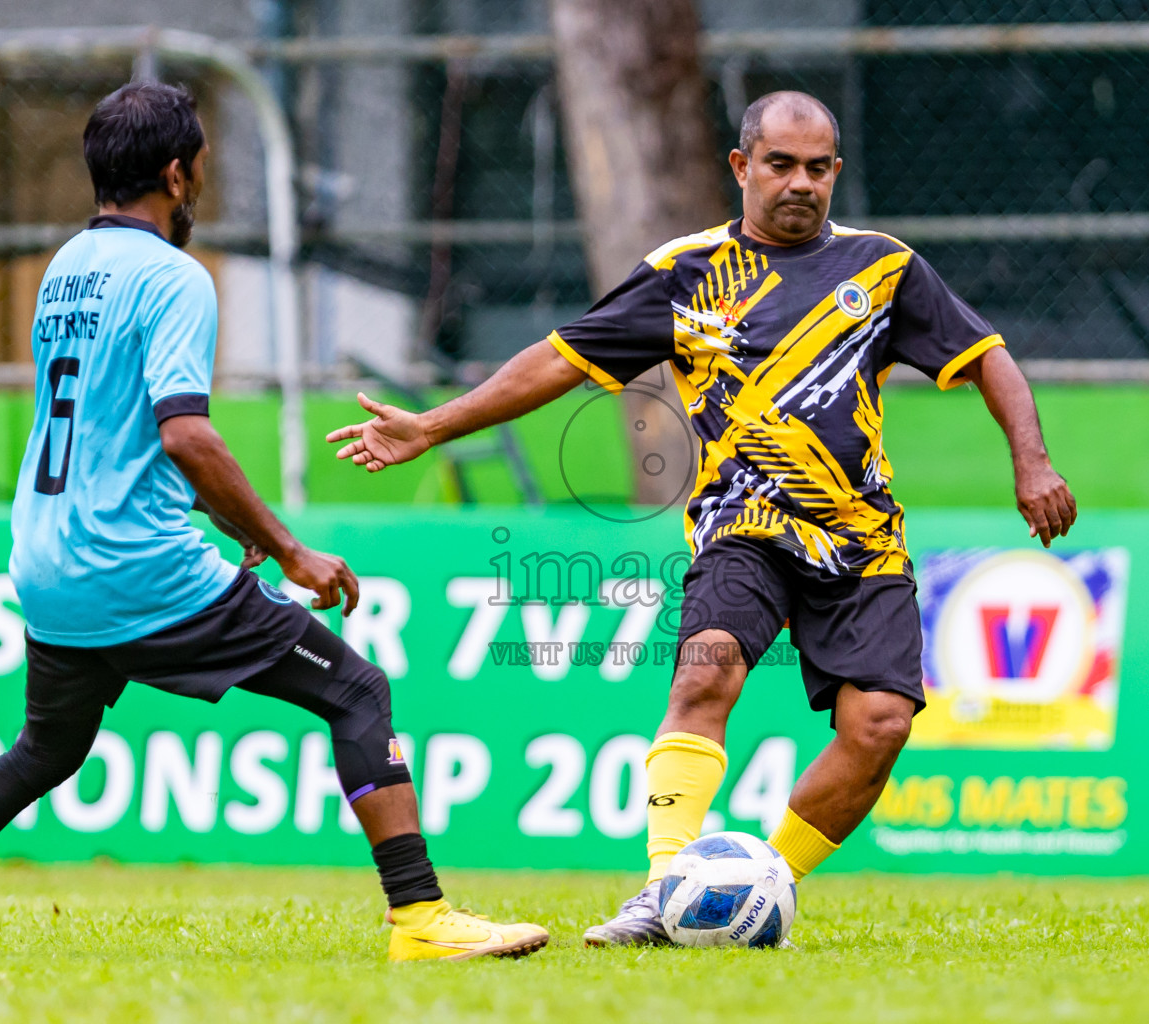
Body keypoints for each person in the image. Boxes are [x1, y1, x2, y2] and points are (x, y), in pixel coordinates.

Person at [325, 90, 1076, 946]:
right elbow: (557, 362)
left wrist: (1033, 460)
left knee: (881, 726)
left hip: (860, 543)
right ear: (741, 167)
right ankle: (662, 891)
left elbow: (990, 360)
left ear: (836, 172)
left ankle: (758, 890)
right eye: (782, 165)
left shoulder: (885, 268)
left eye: (818, 168)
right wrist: (431, 425)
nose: (801, 183)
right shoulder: (686, 272)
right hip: (740, 528)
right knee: (702, 677)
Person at [0, 82, 546, 963]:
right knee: (355, 690)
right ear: (177, 172)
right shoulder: (174, 276)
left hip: (47, 561)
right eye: (200, 170)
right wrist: (290, 549)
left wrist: (197, 507)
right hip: (134, 566)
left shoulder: (65, 269)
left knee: (46, 747)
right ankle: (420, 918)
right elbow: (184, 432)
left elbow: (102, 437)